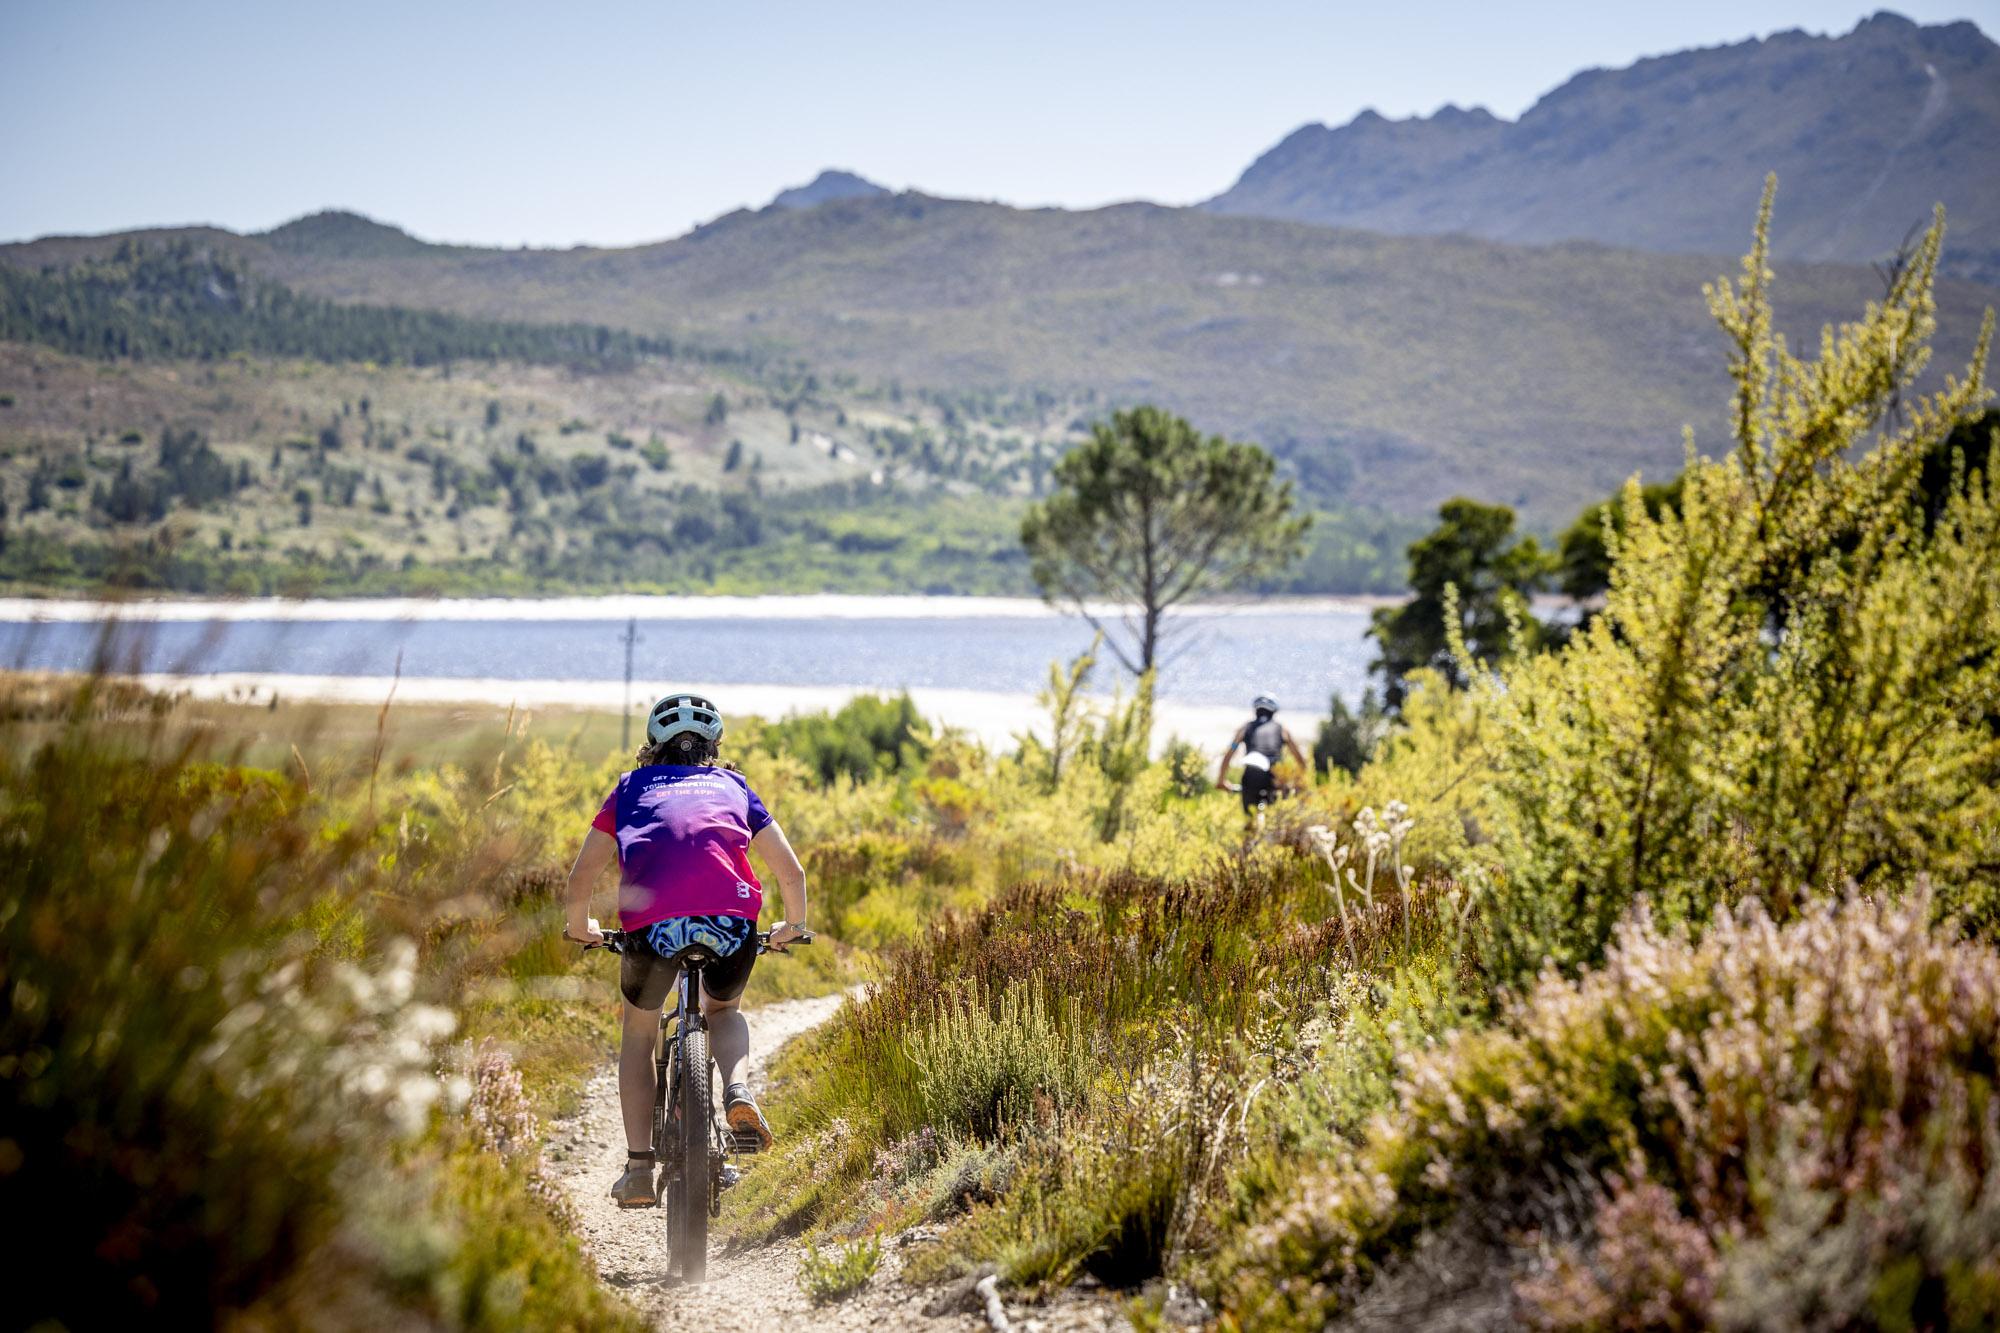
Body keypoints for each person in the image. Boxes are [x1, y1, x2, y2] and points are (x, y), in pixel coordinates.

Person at [562, 692, 809, 1208]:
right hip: (730, 925)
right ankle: (737, 1090)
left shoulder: (629, 788)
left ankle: (638, 1168)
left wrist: (581, 927)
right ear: (713, 746)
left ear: (653, 745)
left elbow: (581, 877)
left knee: (639, 1033)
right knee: (724, 1012)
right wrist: (793, 926)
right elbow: (792, 873)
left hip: (652, 929)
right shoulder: (735, 786)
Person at [1216, 693, 1310, 813]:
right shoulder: (1282, 730)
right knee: (1279, 815)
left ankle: (1252, 823)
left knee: (1251, 817)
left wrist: (1221, 780)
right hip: (1275, 776)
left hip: (1251, 775)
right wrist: (1300, 781)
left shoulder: (1244, 729)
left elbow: (1229, 754)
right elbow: (1300, 759)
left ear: (1256, 711)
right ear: (1273, 712)